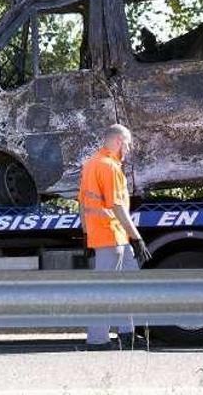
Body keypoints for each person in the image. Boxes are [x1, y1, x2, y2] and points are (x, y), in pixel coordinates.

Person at [78, 124, 152, 349]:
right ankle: (98, 340)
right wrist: (137, 238)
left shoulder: (91, 164)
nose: (128, 148)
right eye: (128, 143)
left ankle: (127, 332)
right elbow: (118, 207)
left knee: (128, 283)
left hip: (109, 237)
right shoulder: (110, 167)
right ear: (119, 141)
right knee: (106, 290)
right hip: (112, 236)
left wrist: (86, 235)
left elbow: (82, 204)